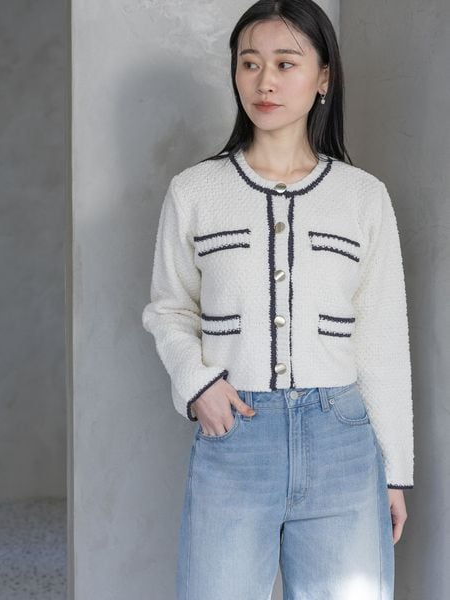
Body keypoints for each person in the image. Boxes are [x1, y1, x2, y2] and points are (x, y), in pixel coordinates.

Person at [142, 1, 414, 598]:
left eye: (286, 63)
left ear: (323, 77)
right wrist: (198, 385)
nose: (264, 81)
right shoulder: (195, 191)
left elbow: (383, 337)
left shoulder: (363, 196)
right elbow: (169, 308)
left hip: (343, 442)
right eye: (250, 63)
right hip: (236, 437)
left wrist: (394, 472)